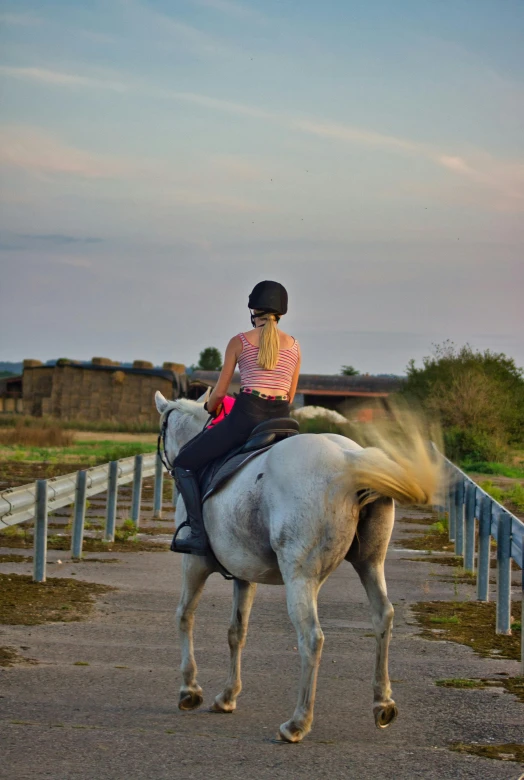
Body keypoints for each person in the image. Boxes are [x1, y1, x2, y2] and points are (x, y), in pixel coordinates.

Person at [171, 280, 301, 556]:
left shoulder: (239, 342)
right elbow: (289, 397)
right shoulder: (294, 347)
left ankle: (196, 534)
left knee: (183, 463)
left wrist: (210, 409)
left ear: (253, 310)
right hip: (282, 420)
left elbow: (219, 392)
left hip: (247, 417)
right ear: (281, 312)